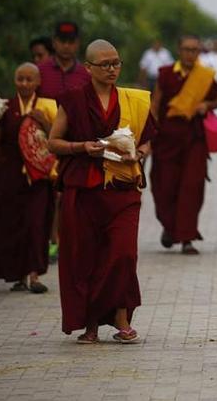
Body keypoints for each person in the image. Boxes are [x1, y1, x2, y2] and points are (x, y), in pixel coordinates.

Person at [48, 39, 156, 344]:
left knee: (123, 254)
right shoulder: (73, 100)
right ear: (89, 68)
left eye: (116, 63)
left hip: (122, 188)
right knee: (87, 256)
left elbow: (147, 138)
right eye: (105, 64)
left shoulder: (133, 99)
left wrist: (140, 152)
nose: (112, 69)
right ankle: (92, 322)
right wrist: (81, 147)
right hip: (84, 189)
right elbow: (53, 142)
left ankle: (121, 317)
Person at [0, 63, 57, 293]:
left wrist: (44, 122)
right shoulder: (5, 107)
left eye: (29, 80)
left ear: (38, 82)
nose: (24, 84)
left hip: (38, 176)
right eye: (20, 79)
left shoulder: (47, 105)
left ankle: (34, 275)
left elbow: (58, 136)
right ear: (14, 80)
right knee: (12, 224)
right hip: (10, 175)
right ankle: (17, 274)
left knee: (36, 223)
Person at [150, 35, 217, 255]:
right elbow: (155, 103)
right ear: (179, 50)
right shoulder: (166, 74)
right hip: (166, 139)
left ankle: (187, 236)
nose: (190, 54)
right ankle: (170, 227)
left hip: (193, 139)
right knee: (164, 186)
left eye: (194, 50)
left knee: (192, 186)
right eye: (186, 49)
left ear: (199, 52)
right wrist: (150, 133)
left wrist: (205, 105)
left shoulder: (205, 76)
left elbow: (216, 101)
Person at [37, 21, 90, 101]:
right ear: (54, 42)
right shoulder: (39, 71)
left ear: (77, 44)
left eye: (71, 42)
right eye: (62, 41)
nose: (66, 46)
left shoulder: (86, 75)